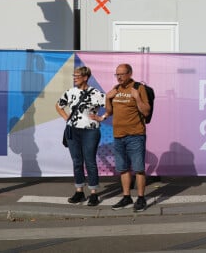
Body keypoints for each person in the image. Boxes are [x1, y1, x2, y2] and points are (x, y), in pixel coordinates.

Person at [100, 63, 150, 212]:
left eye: (122, 74)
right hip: (118, 135)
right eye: (117, 74)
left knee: (139, 169)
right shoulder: (116, 89)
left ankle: (141, 199)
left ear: (130, 73)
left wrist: (137, 99)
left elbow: (146, 111)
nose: (119, 77)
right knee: (123, 169)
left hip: (135, 135)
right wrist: (107, 99)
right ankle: (126, 197)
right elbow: (110, 112)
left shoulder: (138, 88)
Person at [55, 66, 106, 206]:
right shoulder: (70, 92)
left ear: (85, 77)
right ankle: (79, 192)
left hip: (90, 131)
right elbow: (59, 105)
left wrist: (102, 117)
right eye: (74, 75)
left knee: (90, 161)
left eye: (77, 76)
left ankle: (94, 193)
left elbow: (111, 106)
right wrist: (67, 118)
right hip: (73, 131)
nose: (74, 78)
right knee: (77, 161)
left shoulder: (96, 93)